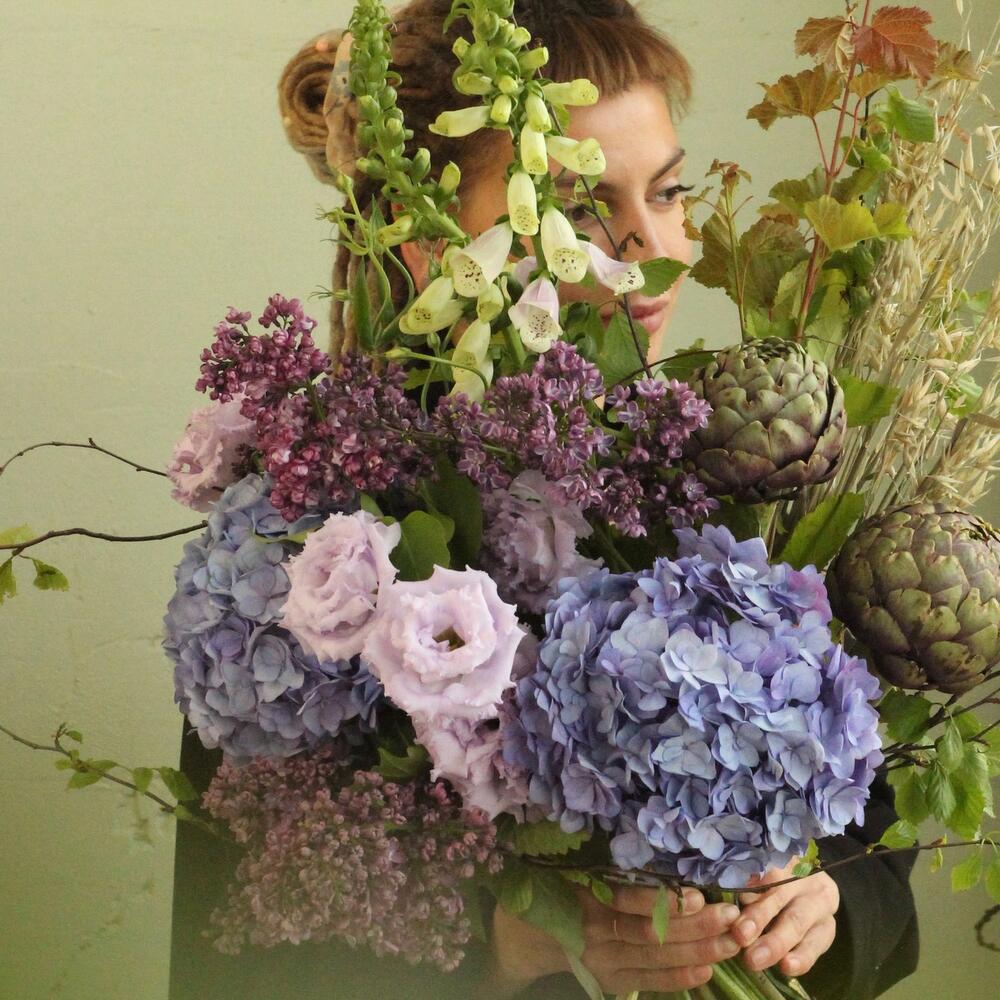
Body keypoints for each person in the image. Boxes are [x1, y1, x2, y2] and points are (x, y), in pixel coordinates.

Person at [171, 3, 920, 998]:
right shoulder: (317, 561)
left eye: (667, 191)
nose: (650, 244)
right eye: (579, 206)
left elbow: (880, 835)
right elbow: (233, 953)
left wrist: (823, 896)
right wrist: (513, 949)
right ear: (425, 244)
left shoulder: (730, 471)